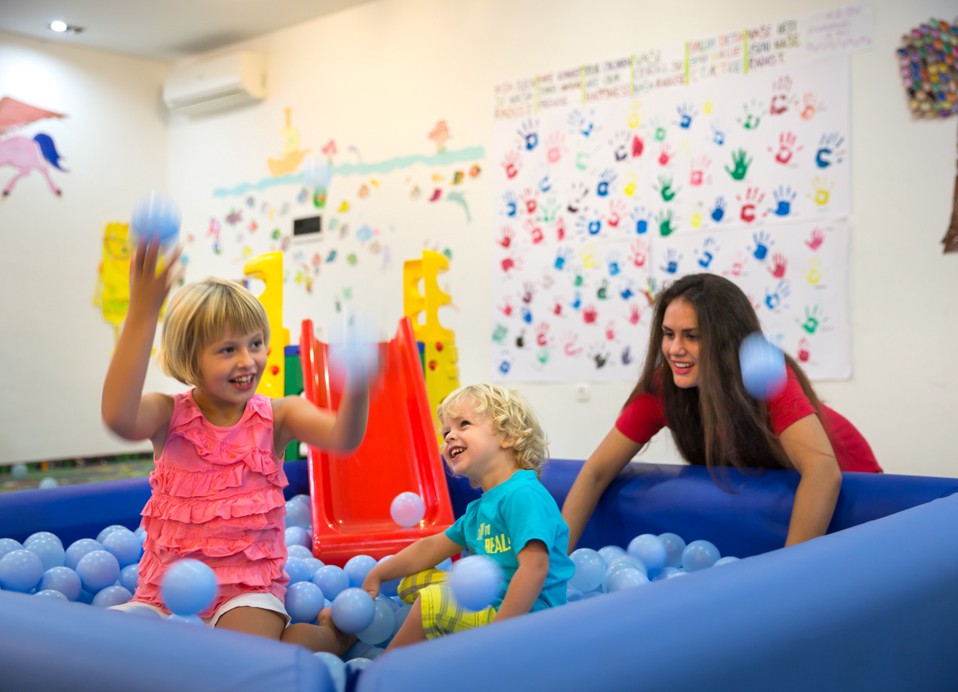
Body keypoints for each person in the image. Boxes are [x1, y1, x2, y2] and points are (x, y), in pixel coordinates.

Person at [101, 239, 375, 654]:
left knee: (242, 659)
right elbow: (118, 417)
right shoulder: (167, 415)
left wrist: (357, 386)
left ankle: (330, 635)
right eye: (228, 350)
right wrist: (141, 313)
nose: (248, 361)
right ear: (191, 358)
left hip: (245, 592)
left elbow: (344, 438)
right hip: (162, 592)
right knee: (102, 644)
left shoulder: (280, 416)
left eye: (255, 343)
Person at [562, 273, 881, 551]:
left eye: (692, 336)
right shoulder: (663, 389)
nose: (674, 349)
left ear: (726, 342)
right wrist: (551, 569)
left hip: (857, 488)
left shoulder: (765, 375)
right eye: (669, 334)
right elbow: (595, 472)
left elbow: (823, 473)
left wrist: (788, 576)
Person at [361, 384, 574, 649]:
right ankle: (442, 649)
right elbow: (430, 547)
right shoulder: (479, 509)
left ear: (508, 436)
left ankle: (386, 675)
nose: (450, 436)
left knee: (431, 602)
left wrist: (499, 633)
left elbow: (535, 567)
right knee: (411, 584)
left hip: (531, 621)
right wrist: (379, 573)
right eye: (446, 431)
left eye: (464, 424)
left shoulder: (523, 494)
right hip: (490, 602)